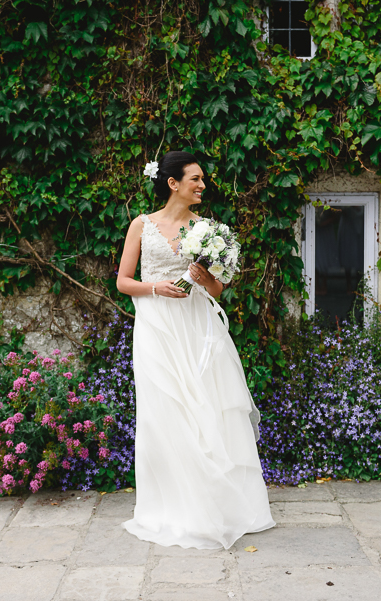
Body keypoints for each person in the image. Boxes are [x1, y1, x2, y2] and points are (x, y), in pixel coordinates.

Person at [115, 151, 275, 550]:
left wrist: (205, 277)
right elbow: (122, 281)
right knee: (164, 410)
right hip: (156, 327)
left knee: (205, 408)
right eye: (196, 179)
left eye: (203, 180)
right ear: (173, 183)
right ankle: (170, 509)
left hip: (196, 327)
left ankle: (215, 504)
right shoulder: (142, 224)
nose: (202, 186)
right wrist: (156, 288)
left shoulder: (207, 230)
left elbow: (218, 289)